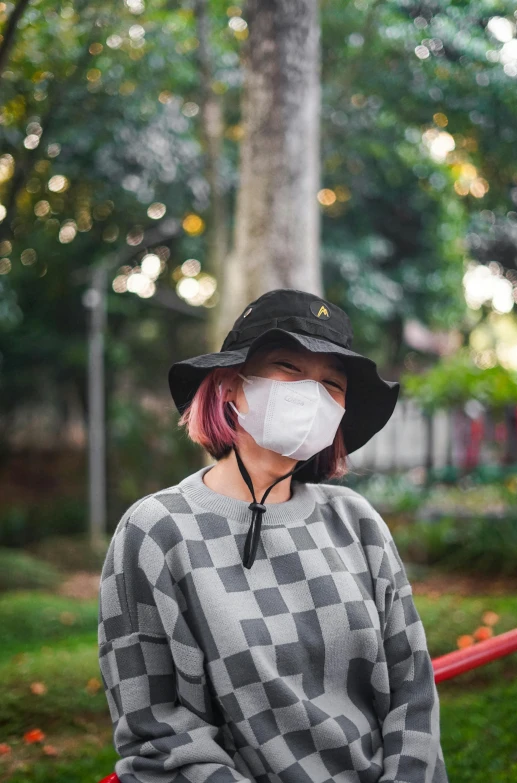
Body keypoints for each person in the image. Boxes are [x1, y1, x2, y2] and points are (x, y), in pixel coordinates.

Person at [98, 288, 449, 783]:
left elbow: (412, 690)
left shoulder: (358, 522)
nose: (311, 393)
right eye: (288, 366)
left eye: (332, 383)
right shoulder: (155, 532)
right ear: (227, 386)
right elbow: (160, 733)